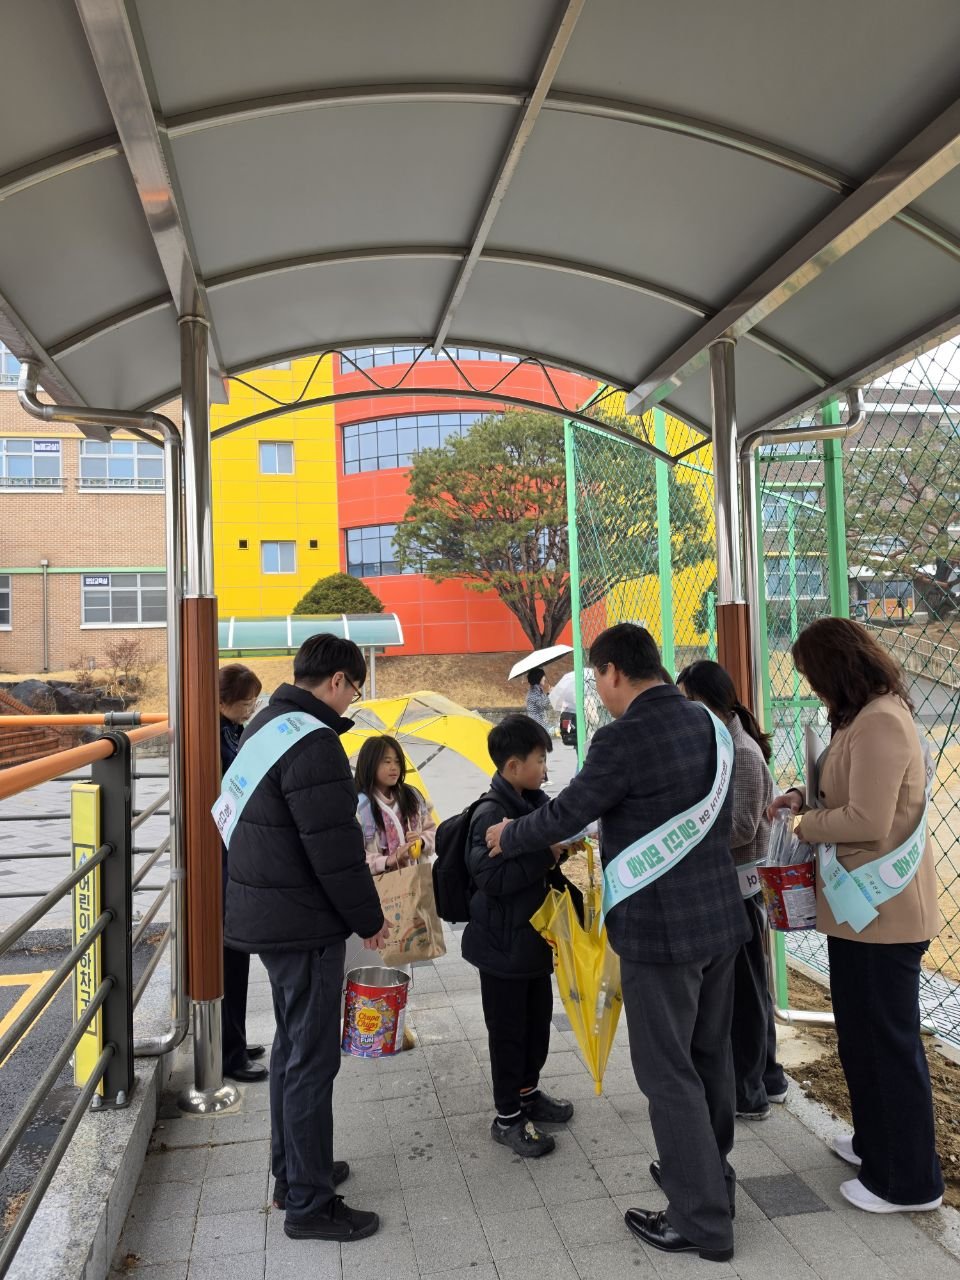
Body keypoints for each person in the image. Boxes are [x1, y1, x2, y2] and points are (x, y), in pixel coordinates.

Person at [487, 624, 749, 1262]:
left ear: (611, 673)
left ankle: (700, 1220)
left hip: (662, 932)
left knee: (667, 1071)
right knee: (709, 1057)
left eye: (596, 679)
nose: (597, 692)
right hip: (719, 920)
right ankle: (710, 1177)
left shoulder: (622, 736)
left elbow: (568, 810)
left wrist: (507, 835)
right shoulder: (707, 723)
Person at [769, 618, 943, 1215]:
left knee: (887, 1043)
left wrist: (802, 824)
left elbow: (867, 820)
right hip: (857, 912)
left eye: (813, 675)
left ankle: (909, 1182)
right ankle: (876, 1145)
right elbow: (840, 791)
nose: (812, 687)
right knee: (862, 1037)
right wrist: (802, 796)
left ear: (837, 668)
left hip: (884, 912)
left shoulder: (882, 720)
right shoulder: (860, 717)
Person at [223, 634, 389, 1243]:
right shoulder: (313, 741)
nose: (351, 703)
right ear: (338, 680)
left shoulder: (265, 724)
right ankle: (311, 1205)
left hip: (270, 916)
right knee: (312, 1061)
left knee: (292, 1050)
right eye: (355, 690)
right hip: (303, 923)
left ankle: (292, 1174)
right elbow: (335, 850)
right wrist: (370, 919)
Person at [676, 659, 788, 1120]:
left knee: (744, 995)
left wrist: (685, 836)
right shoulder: (724, 741)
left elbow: (742, 826)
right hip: (734, 887)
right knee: (751, 989)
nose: (683, 709)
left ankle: (749, 1092)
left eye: (687, 700)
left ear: (709, 700)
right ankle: (767, 1078)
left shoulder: (740, 752)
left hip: (740, 887)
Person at [462, 714, 574, 1157]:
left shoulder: (533, 804)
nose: (545, 769)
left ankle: (529, 1094)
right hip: (501, 947)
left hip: (530, 941)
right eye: (540, 760)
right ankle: (507, 1117)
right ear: (513, 766)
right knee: (508, 1033)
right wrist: (546, 854)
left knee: (535, 1025)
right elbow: (491, 878)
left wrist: (559, 849)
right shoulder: (490, 813)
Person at [218, 663, 268, 1084]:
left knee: (236, 958)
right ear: (223, 701)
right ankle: (229, 1053)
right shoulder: (216, 737)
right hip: (222, 861)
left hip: (230, 855)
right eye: (247, 701)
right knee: (229, 961)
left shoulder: (230, 731)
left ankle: (235, 1040)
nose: (251, 708)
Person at [355, 735, 436, 873]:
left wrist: (421, 841)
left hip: (416, 878)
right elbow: (353, 856)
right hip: (383, 883)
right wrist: (387, 861)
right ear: (370, 764)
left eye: (397, 762)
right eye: (387, 762)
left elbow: (433, 832)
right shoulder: (360, 807)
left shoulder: (412, 797)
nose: (394, 767)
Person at [525, 667, 552, 732]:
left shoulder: (538, 690)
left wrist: (549, 693)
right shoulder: (533, 692)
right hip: (536, 725)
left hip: (539, 724)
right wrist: (549, 693)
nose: (544, 678)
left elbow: (544, 701)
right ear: (538, 677)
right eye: (543, 676)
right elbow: (543, 704)